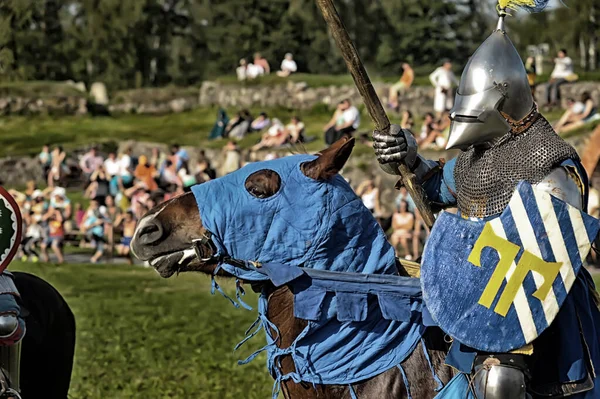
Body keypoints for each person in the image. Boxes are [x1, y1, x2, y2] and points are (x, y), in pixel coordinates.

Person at [374, 10, 600, 397]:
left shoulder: (548, 163)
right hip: (483, 296)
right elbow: (434, 186)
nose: (459, 112)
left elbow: (547, 254)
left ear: (502, 102)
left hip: (538, 307)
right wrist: (409, 158)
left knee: (501, 382)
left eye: (471, 100)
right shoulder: (477, 159)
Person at [82, 199, 110, 263]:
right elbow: (85, 227)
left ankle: (94, 259)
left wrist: (103, 221)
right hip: (93, 235)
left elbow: (109, 221)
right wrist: (95, 224)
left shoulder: (102, 217)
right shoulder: (92, 219)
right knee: (102, 246)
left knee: (103, 247)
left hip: (100, 235)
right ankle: (94, 258)